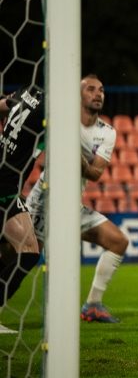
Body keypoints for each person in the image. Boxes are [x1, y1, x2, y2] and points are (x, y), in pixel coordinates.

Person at [25, 75, 129, 323]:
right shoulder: (60, 122)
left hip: (72, 205)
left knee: (118, 242)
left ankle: (92, 305)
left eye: (101, 90)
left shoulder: (106, 132)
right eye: (91, 89)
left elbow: (94, 173)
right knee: (23, 256)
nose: (98, 93)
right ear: (78, 95)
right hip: (46, 199)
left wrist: (72, 149)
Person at [0, 86, 44, 334]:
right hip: (5, 185)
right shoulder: (51, 107)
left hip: (4, 175)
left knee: (8, 251)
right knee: (29, 252)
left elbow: (3, 105)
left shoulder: (25, 92)